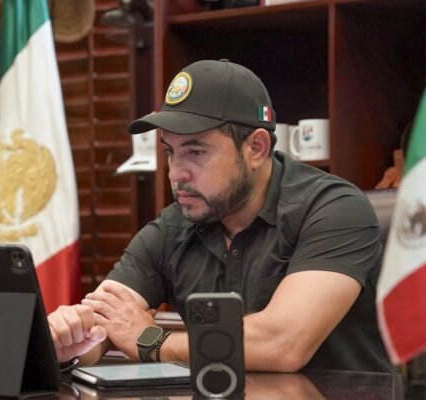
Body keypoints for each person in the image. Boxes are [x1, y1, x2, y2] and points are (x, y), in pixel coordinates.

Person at [48, 59, 390, 372]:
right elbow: (108, 326)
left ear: (256, 148)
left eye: (196, 152)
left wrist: (153, 341)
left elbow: (283, 344)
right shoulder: (174, 226)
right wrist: (70, 340)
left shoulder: (334, 210)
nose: (176, 173)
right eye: (171, 152)